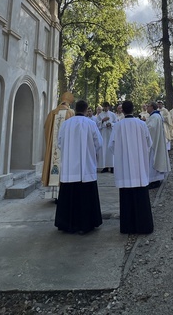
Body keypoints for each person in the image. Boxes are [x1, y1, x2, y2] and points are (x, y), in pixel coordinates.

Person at [54, 99, 103, 235]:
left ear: (75, 109)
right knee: (86, 196)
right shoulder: (91, 124)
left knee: (69, 196)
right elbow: (98, 143)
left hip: (70, 167)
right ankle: (86, 224)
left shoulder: (66, 124)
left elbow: (59, 143)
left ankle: (68, 224)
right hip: (85, 167)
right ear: (87, 109)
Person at [108, 100, 155, 234]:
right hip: (139, 167)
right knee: (140, 196)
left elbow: (111, 145)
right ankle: (144, 226)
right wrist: (141, 153)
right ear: (133, 109)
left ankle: (128, 227)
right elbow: (149, 143)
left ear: (122, 110)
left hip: (124, 169)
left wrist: (120, 155)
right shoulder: (141, 124)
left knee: (126, 197)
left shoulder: (117, 126)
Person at [41, 91, 75, 200]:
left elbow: (46, 127)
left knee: (53, 165)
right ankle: (63, 195)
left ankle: (53, 195)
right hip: (66, 148)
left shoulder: (52, 113)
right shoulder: (70, 113)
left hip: (53, 148)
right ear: (69, 102)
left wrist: (51, 142)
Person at [146, 101, 171, 189]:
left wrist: (144, 128)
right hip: (155, 141)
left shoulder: (155, 117)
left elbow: (151, 128)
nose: (147, 108)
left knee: (154, 160)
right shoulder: (154, 116)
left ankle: (154, 180)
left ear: (152, 107)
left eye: (148, 106)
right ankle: (154, 179)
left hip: (154, 143)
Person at [96, 103, 117, 172]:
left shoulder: (112, 114)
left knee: (110, 148)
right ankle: (105, 166)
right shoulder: (100, 115)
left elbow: (116, 123)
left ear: (108, 107)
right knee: (104, 149)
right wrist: (103, 120)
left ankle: (112, 166)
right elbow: (97, 124)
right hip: (104, 133)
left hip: (110, 132)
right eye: (104, 107)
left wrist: (111, 124)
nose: (106, 108)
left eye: (107, 107)